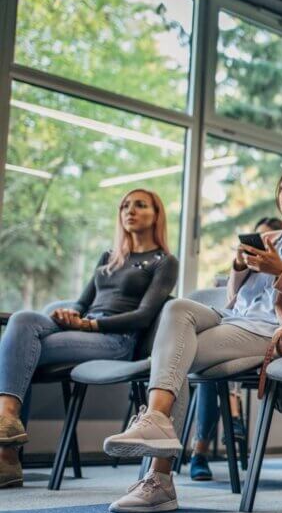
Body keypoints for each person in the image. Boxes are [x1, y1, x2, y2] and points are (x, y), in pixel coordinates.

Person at [102, 153, 282, 513]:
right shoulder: (268, 237)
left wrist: (281, 271)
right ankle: (157, 424)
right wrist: (238, 268)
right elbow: (235, 299)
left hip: (274, 331)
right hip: (233, 318)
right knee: (176, 308)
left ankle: (159, 479)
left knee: (176, 358)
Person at [0, 189, 178, 489]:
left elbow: (144, 316)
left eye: (139, 205)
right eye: (124, 205)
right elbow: (83, 303)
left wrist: (91, 324)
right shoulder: (109, 257)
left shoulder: (164, 261)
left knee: (16, 357)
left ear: (156, 215)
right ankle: (7, 421)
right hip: (84, 330)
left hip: (117, 341)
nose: (129, 211)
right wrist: (70, 315)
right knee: (22, 321)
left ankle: (7, 458)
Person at [189, 216, 282, 481]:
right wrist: (240, 266)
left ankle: (200, 450)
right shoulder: (247, 273)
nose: (262, 245)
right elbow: (230, 301)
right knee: (206, 359)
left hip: (265, 336)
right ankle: (230, 414)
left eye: (270, 239)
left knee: (208, 362)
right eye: (257, 239)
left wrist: (277, 269)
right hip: (233, 327)